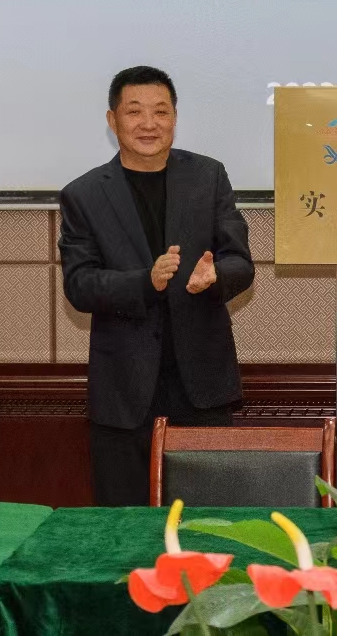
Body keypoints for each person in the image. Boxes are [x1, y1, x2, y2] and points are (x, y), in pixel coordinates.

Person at [58, 65, 254, 506]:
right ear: (112, 120)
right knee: (123, 526)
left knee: (208, 523)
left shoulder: (208, 177)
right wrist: (144, 283)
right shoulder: (84, 194)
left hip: (202, 386)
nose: (149, 123)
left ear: (175, 117)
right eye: (135, 112)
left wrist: (216, 277)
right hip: (124, 392)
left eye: (161, 111)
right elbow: (79, 284)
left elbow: (240, 262)